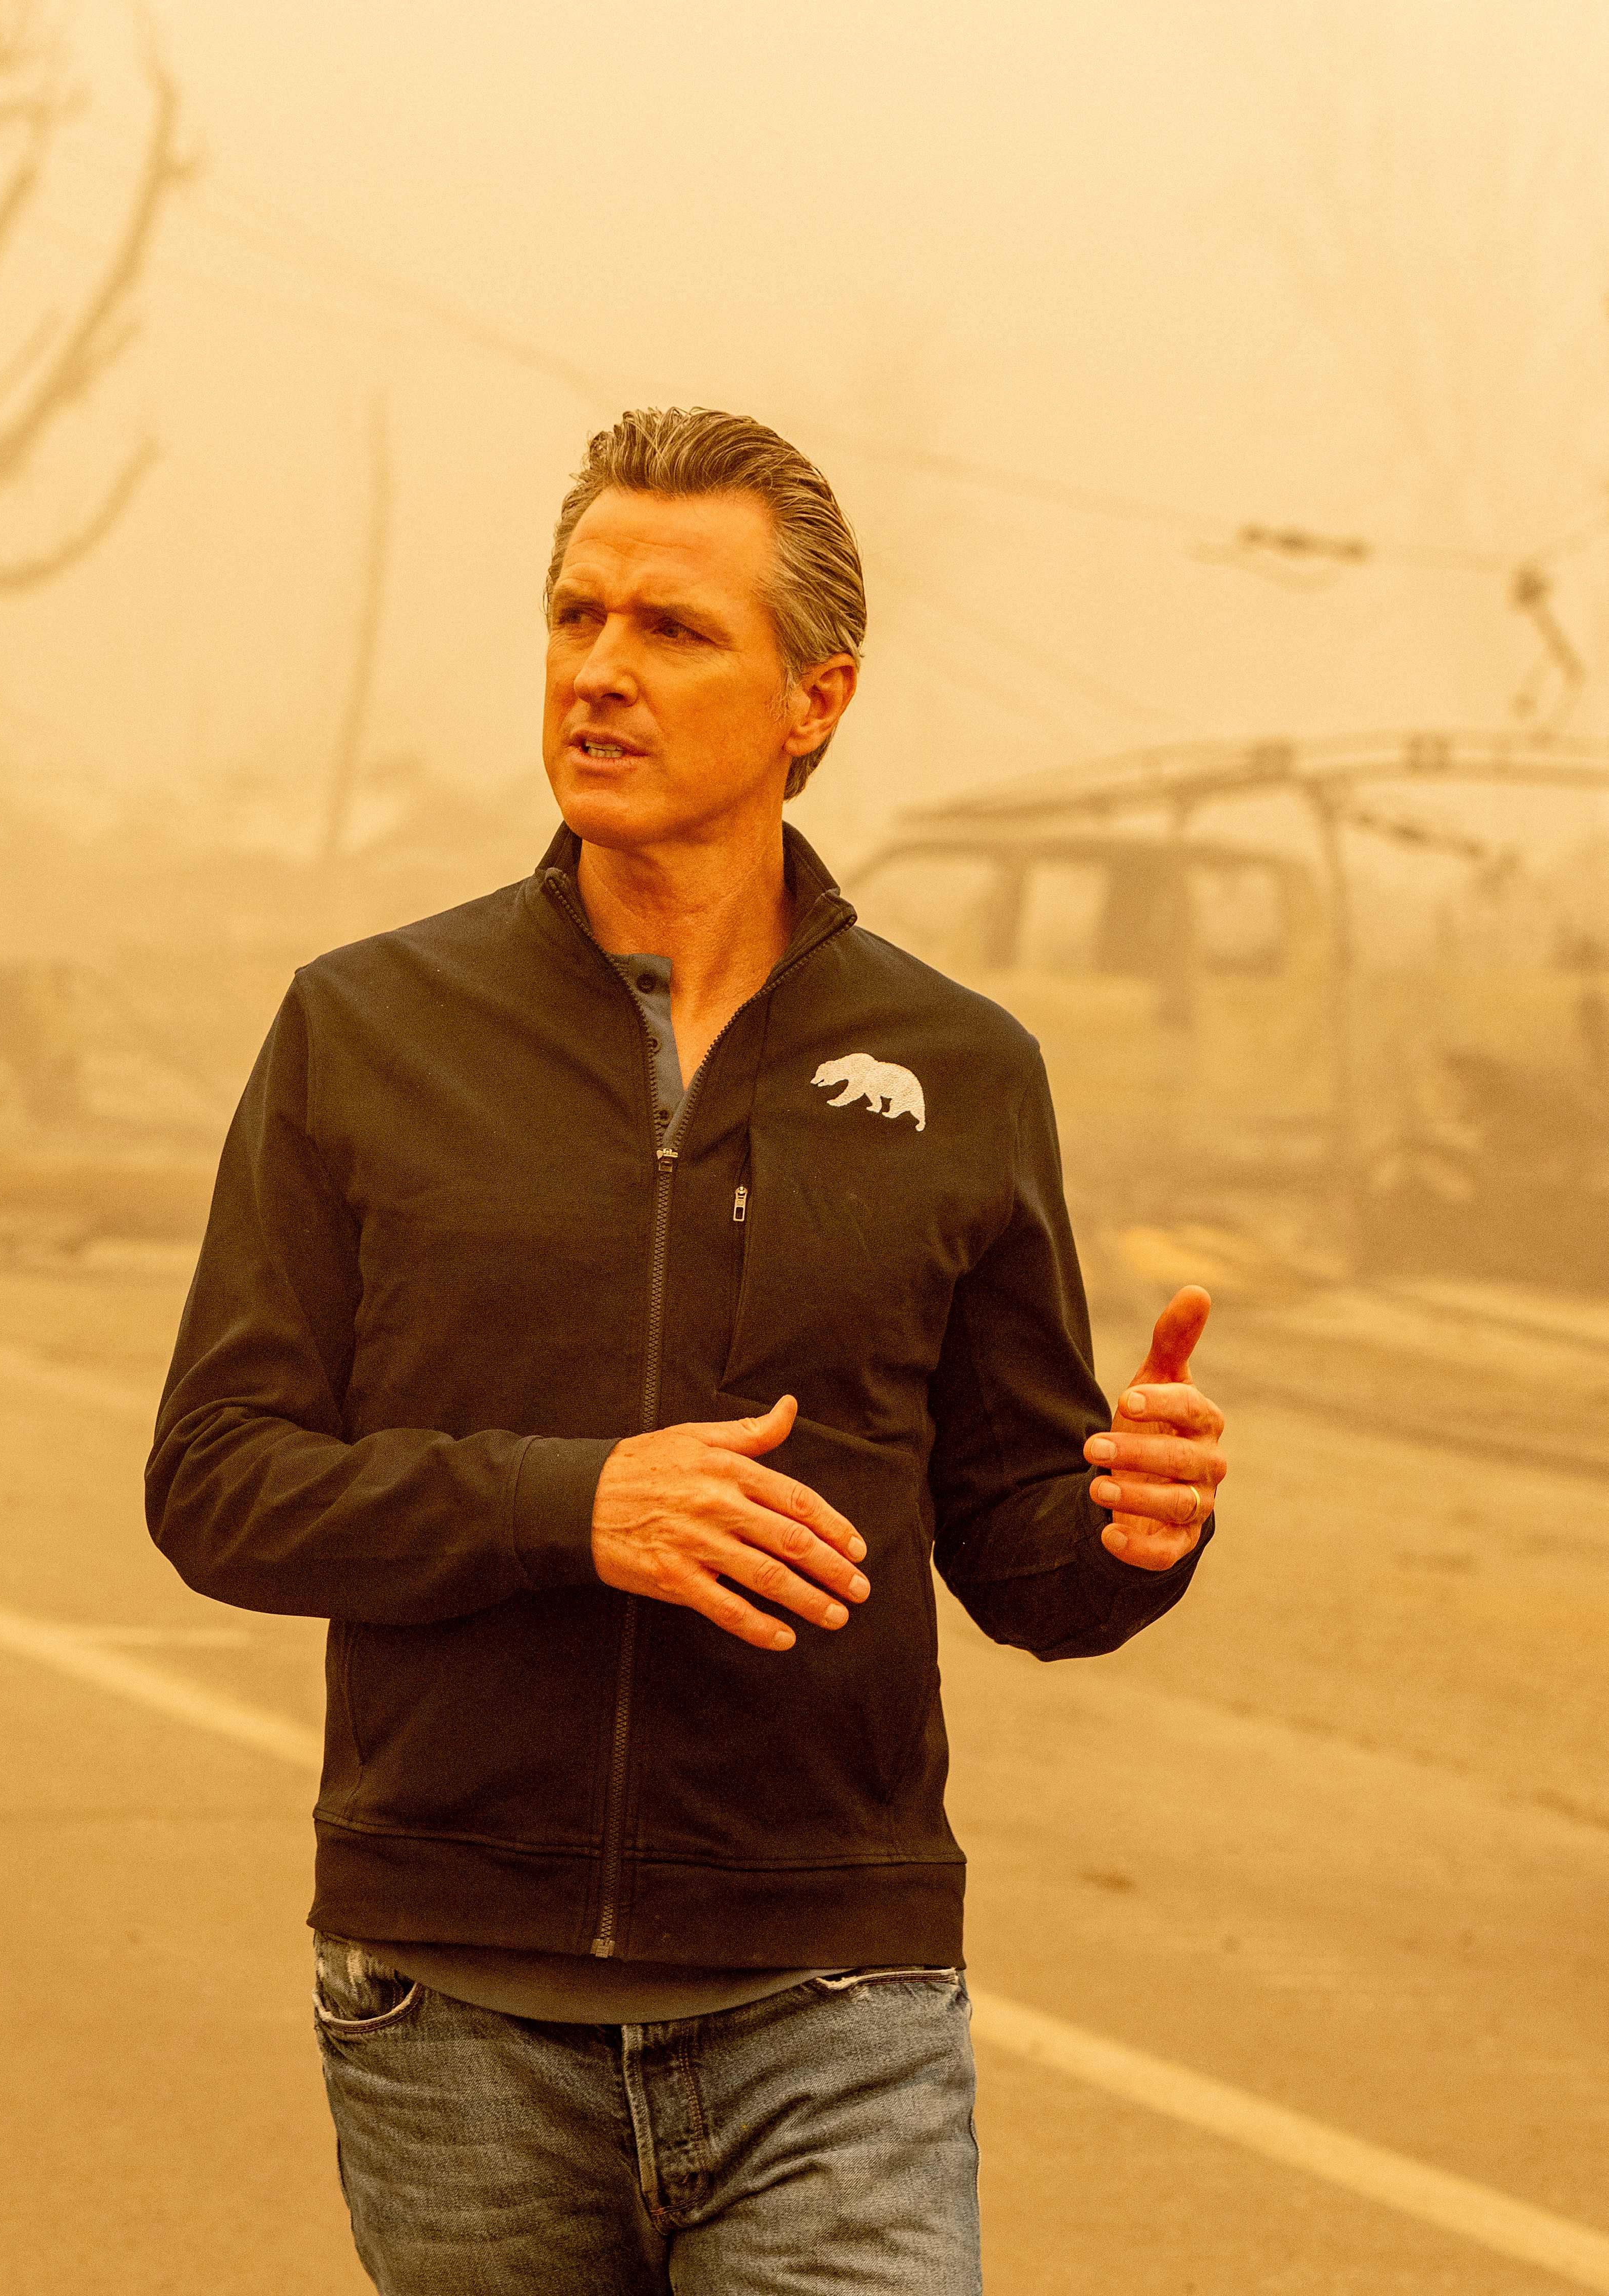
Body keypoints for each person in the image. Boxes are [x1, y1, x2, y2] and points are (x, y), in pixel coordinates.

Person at [146, 408, 1228, 2293]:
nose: (601, 674)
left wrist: (1133, 1531)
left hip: (837, 1998)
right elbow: (219, 1483)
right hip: (456, 2010)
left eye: (672, 632)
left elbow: (1019, 1554)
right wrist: (576, 1509)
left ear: (817, 699)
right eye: (577, 619)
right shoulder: (367, 1027)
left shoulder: (964, 1070)